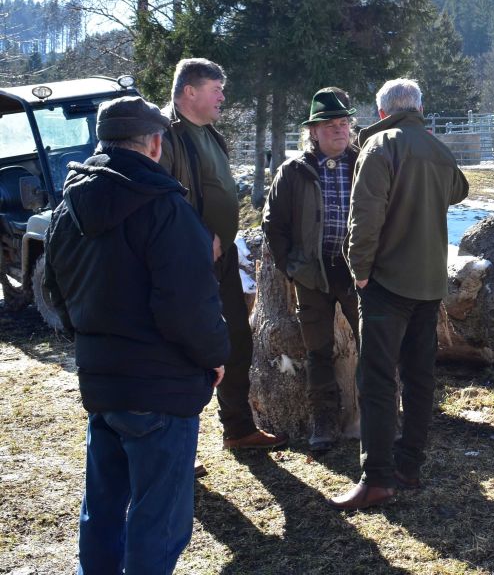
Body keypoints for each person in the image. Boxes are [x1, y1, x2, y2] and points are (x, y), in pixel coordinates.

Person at [43, 96, 230, 573]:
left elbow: (56, 292)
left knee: (103, 511)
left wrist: (95, 342)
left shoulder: (68, 208)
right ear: (153, 145)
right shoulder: (165, 207)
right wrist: (214, 355)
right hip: (160, 386)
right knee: (158, 521)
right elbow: (188, 304)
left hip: (103, 383)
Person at [328, 78, 469, 510]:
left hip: (386, 282)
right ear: (418, 109)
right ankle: (409, 465)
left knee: (376, 379)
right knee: (419, 377)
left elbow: (364, 216)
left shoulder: (379, 145)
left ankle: (376, 478)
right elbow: (460, 190)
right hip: (429, 282)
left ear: (382, 111)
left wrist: (359, 270)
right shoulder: (436, 147)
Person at [161, 58, 286, 451]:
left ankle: (238, 429)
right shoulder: (165, 135)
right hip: (188, 260)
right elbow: (161, 200)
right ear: (189, 91)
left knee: (234, 338)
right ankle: (177, 447)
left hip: (222, 256)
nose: (222, 98)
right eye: (215, 90)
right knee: (187, 347)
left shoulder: (210, 133)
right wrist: (200, 237)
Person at [263, 88, 360, 451]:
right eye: (330, 124)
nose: (339, 129)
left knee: (374, 345)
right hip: (312, 274)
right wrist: (292, 267)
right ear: (313, 132)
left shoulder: (365, 163)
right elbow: (273, 224)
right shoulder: (293, 171)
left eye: (344, 122)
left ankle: (376, 417)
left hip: (359, 273)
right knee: (318, 351)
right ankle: (325, 422)